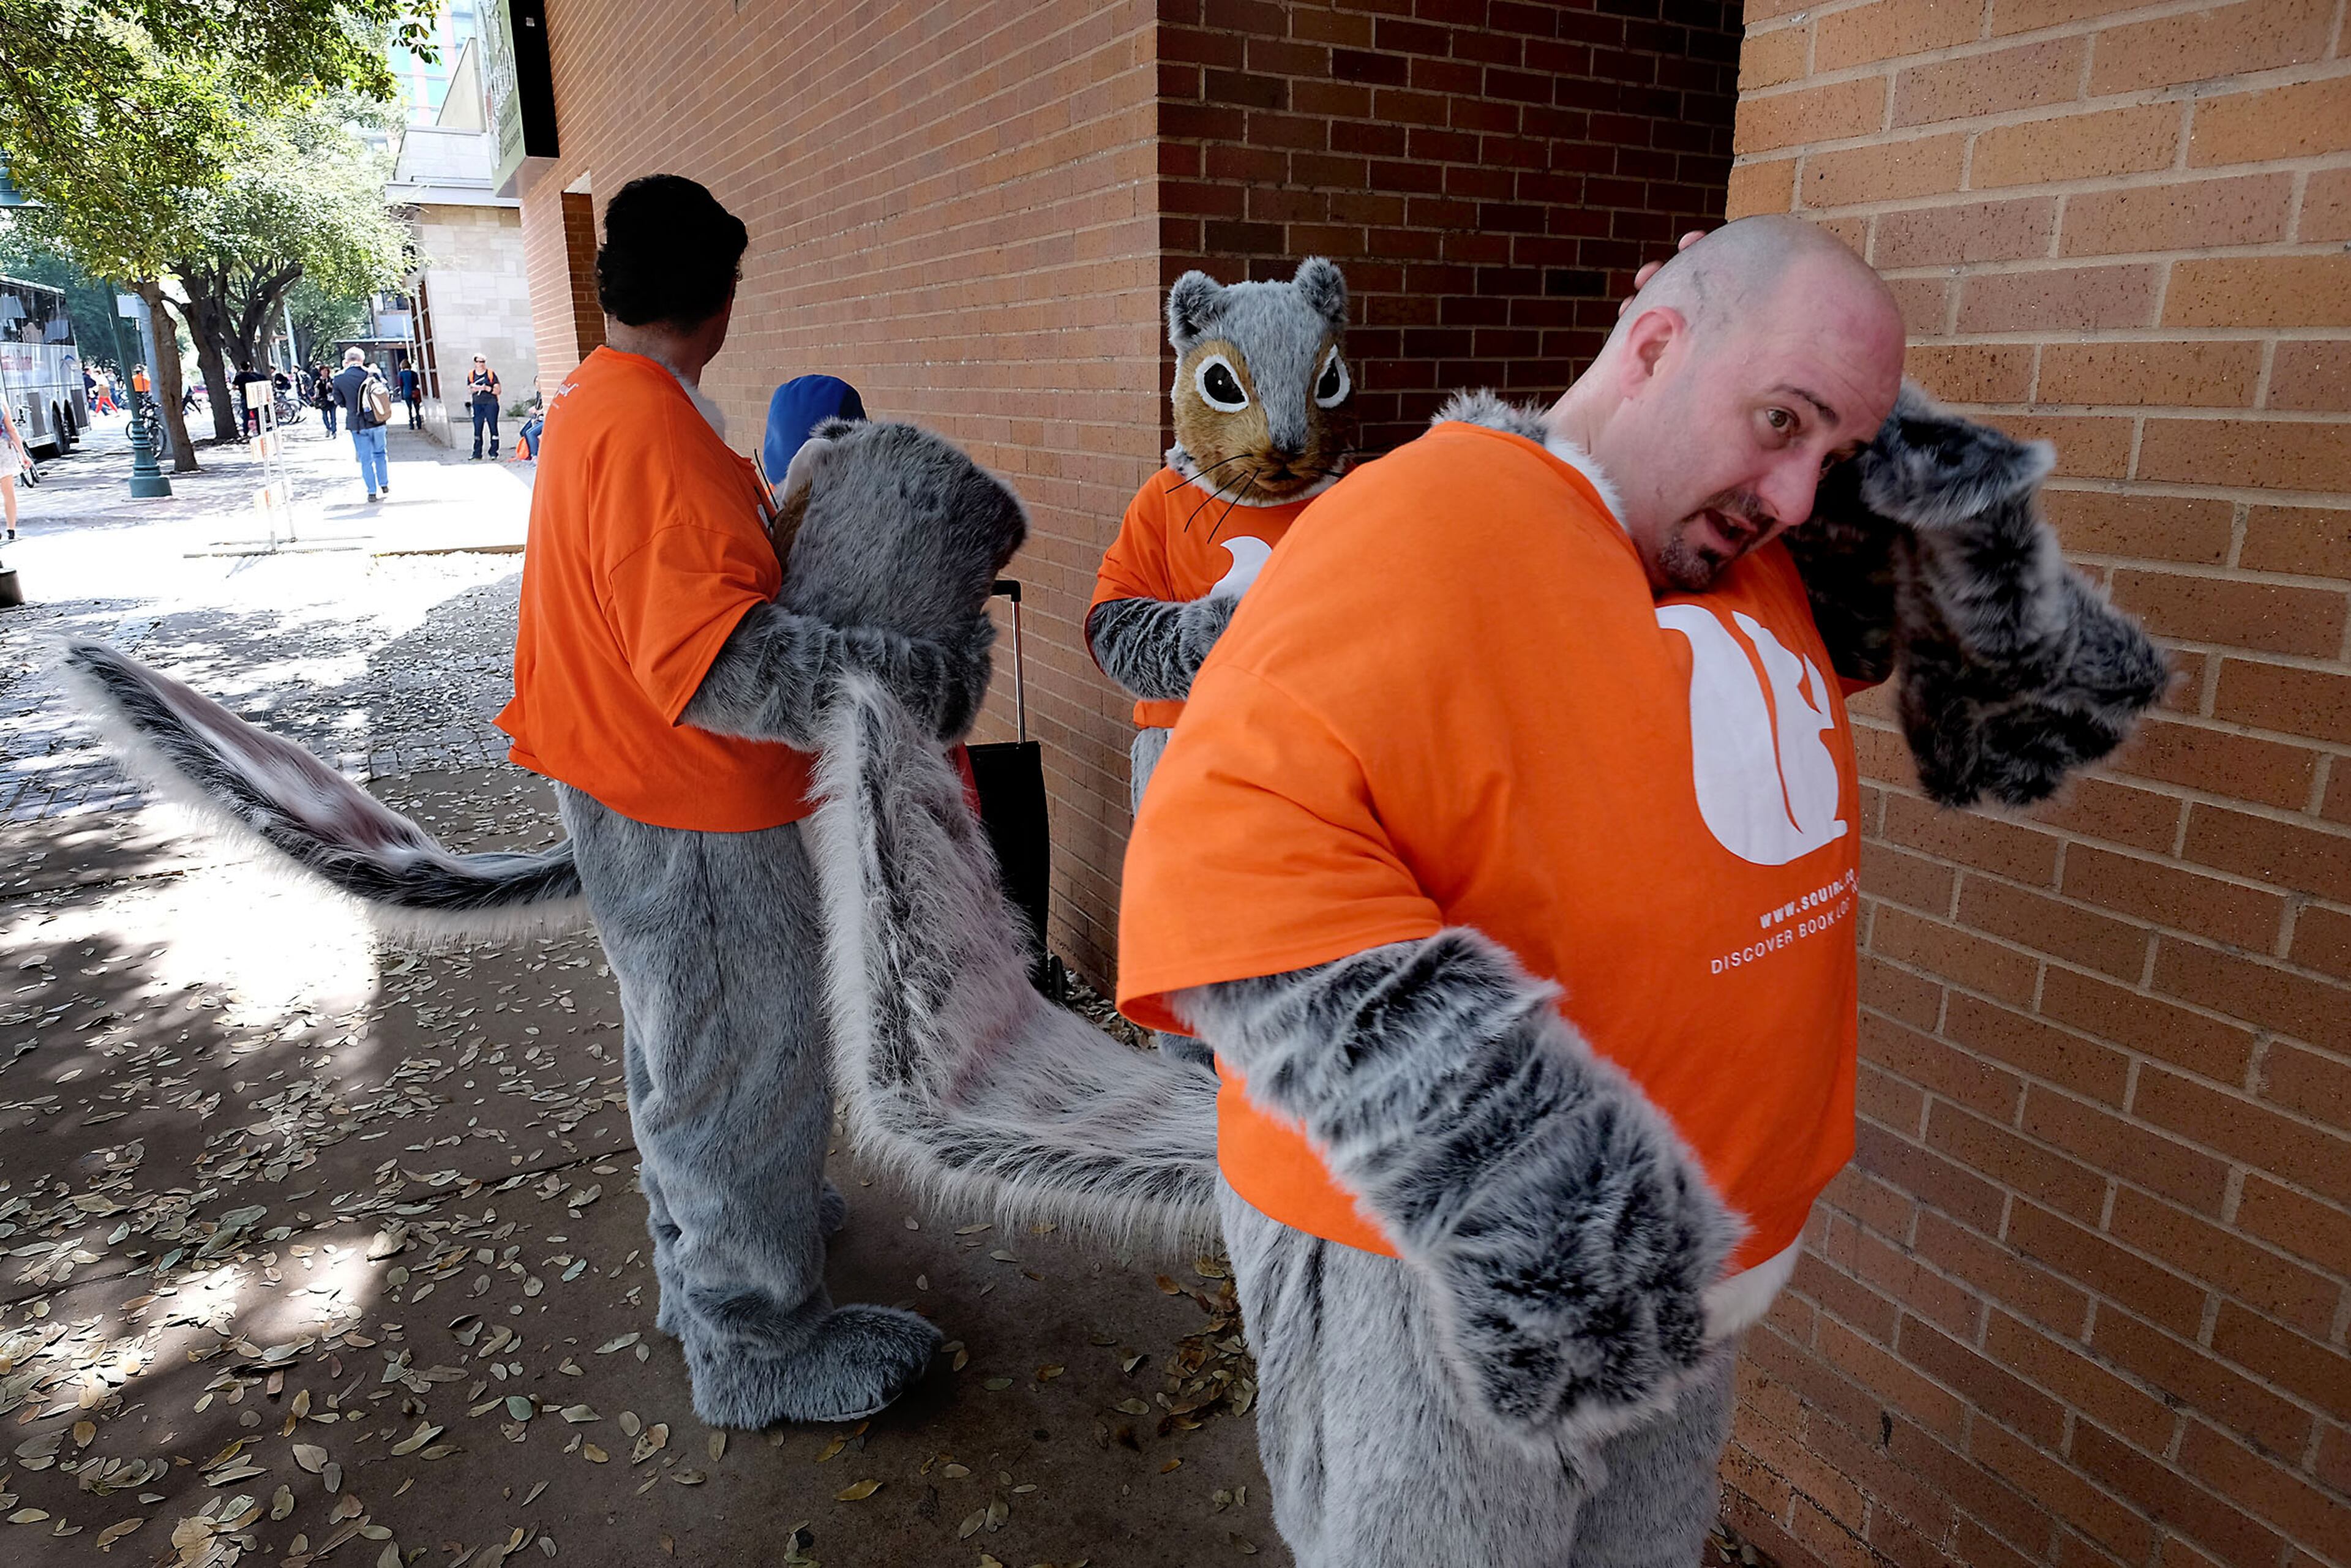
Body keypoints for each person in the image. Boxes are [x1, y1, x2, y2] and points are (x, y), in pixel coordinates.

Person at [1114, 216, 1910, 1568]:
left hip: (1677, 1290)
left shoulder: (1725, 549)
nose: (1794, 492)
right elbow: (1223, 870)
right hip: (1461, 1290)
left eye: (1830, 456)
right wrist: (1560, 1219)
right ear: (1653, 344)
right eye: (1779, 422)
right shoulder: (1416, 525)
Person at [331, 347, 390, 502]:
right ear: (362, 360)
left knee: (365, 458)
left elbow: (339, 402)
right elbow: (384, 394)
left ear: (347, 361)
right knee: (380, 453)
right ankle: (384, 484)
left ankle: (371, 491)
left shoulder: (339, 378)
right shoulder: (373, 374)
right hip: (377, 420)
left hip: (356, 423)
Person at [466, 355, 501, 459]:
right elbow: (469, 390)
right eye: (478, 362)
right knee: (478, 428)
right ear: (475, 363)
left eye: (483, 362)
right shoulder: (471, 374)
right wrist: (474, 389)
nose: (481, 364)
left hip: (491, 403)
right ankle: (477, 453)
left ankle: (494, 452)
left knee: (493, 427)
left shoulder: (490, 374)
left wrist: (486, 388)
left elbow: (498, 390)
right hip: (477, 404)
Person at [1, 399, 23, 542]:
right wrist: (23, 455)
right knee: (8, 492)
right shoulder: (0, 398)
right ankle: (11, 530)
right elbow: (11, 429)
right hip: (2, 449)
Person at [397, 356, 424, 430]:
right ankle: (419, 424)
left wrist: (402, 395)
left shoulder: (401, 374)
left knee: (409, 409)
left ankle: (411, 425)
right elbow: (417, 382)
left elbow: (401, 385)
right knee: (417, 409)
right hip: (414, 392)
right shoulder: (414, 373)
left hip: (406, 392)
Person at [312, 364, 337, 437]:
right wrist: (316, 389)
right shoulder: (318, 380)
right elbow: (314, 390)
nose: (325, 372)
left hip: (332, 401)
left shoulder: (331, 380)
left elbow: (336, 389)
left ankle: (334, 431)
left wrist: (331, 386)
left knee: (333, 417)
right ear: (320, 372)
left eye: (326, 371)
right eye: (323, 371)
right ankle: (328, 428)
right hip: (323, 401)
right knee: (325, 417)